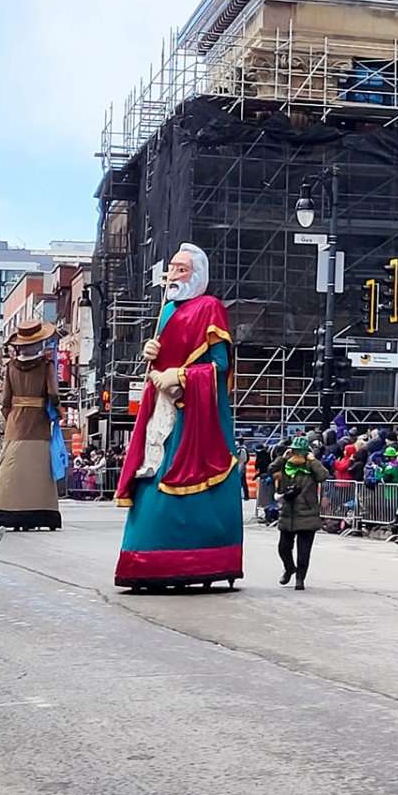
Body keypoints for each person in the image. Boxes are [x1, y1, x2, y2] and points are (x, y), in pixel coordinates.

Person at [113, 243, 242, 590]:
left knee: (177, 486)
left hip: (195, 417)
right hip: (162, 407)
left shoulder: (210, 308)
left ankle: (198, 561)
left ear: (197, 274)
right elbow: (161, 363)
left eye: (181, 269)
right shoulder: (167, 310)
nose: (173, 274)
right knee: (151, 483)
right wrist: (152, 356)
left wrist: (181, 378)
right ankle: (145, 563)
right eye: (171, 268)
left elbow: (220, 366)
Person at [0, 317, 65, 530]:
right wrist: (57, 410)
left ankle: (2, 509)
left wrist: (10, 416)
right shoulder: (46, 365)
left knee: (11, 467)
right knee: (38, 469)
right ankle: (42, 512)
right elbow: (53, 394)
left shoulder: (11, 367)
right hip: (38, 422)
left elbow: (5, 400)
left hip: (15, 423)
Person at [275, 436, 327, 588]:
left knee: (303, 551)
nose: (297, 455)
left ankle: (300, 578)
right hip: (288, 513)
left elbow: (323, 476)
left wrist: (313, 461)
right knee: (283, 548)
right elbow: (270, 469)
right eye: (294, 451)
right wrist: (282, 458)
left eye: (300, 452)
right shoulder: (286, 465)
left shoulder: (311, 468)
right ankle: (289, 568)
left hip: (307, 514)